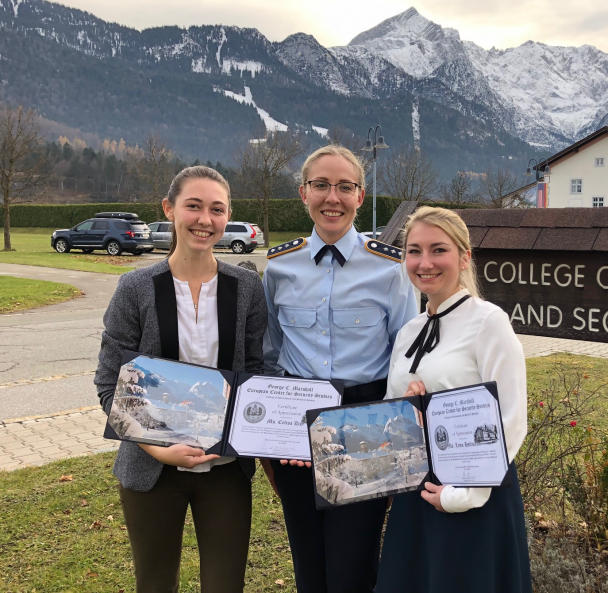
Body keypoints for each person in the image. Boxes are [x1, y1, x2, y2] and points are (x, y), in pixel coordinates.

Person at [94, 166, 267, 592]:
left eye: (217, 209)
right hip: (151, 469)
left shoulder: (247, 287)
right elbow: (108, 384)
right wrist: (158, 450)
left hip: (225, 469)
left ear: (228, 217)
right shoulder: (134, 288)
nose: (204, 219)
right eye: (193, 206)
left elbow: (258, 374)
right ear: (170, 209)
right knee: (154, 584)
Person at [261, 145, 417, 593]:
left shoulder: (391, 269)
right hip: (296, 424)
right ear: (303, 193)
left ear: (361, 196)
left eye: (345, 187)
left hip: (366, 423)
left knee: (355, 563)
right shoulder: (279, 267)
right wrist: (277, 428)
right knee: (308, 562)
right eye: (321, 185)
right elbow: (271, 353)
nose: (333, 197)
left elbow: (403, 360)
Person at [375, 206, 533, 593]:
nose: (424, 262)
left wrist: (466, 495)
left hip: (474, 491)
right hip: (418, 494)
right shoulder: (409, 331)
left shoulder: (488, 322)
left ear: (464, 257)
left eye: (437, 250)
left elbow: (512, 417)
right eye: (414, 251)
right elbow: (391, 412)